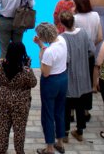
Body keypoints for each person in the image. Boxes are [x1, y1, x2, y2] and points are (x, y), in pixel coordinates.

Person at [0, 39, 37, 154]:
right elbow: (33, 83)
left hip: (3, 98)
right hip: (20, 103)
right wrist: (28, 66)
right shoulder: (25, 72)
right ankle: (19, 151)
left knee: (3, 125)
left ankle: (2, 150)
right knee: (19, 129)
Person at [34, 22, 68, 154]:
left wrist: (40, 55)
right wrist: (41, 45)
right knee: (59, 112)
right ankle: (60, 142)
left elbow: (45, 72)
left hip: (51, 82)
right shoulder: (62, 40)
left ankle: (49, 148)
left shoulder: (49, 52)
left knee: (48, 114)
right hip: (63, 79)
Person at [59, 10, 93, 143]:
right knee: (80, 104)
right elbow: (91, 50)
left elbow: (65, 59)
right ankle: (80, 131)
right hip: (83, 75)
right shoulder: (83, 33)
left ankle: (65, 133)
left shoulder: (62, 38)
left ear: (62, 23)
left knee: (67, 106)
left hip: (70, 76)